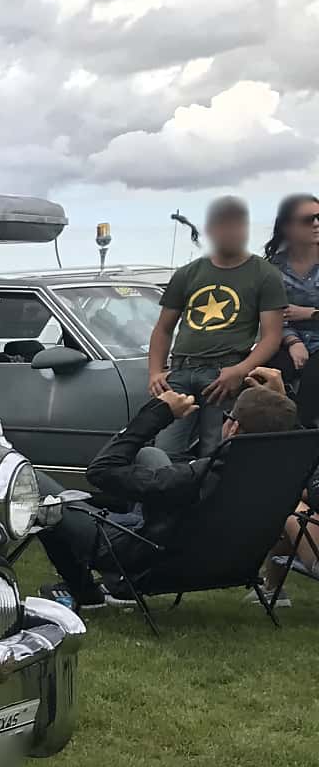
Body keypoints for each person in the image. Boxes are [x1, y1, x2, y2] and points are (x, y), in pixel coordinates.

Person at [38, 373, 300, 611]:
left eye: (226, 417)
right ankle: (118, 587)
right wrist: (280, 403)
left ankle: (86, 593)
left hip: (141, 557)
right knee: (150, 454)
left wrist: (158, 413)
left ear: (233, 428)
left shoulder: (198, 477)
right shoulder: (283, 475)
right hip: (215, 560)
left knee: (35, 486)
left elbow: (100, 471)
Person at [146, 195, 286, 459]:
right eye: (223, 224)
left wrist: (240, 370)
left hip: (224, 373)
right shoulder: (187, 273)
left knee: (217, 451)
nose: (230, 231)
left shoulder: (265, 274)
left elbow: (271, 336)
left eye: (237, 224)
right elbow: (163, 328)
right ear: (210, 229)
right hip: (180, 369)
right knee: (164, 450)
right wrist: (155, 371)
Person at [264, 193, 319, 380]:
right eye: (307, 220)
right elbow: (273, 317)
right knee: (261, 379)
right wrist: (293, 342)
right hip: (285, 343)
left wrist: (310, 313)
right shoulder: (273, 268)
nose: (316, 223)